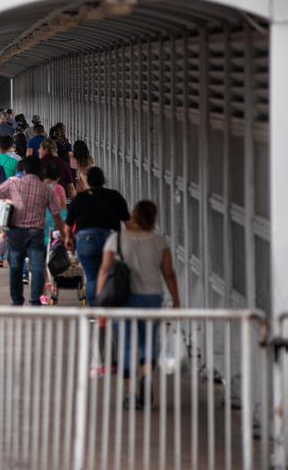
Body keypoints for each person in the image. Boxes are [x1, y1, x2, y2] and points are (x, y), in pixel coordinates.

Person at [97, 200, 180, 408]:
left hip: (122, 299)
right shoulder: (159, 242)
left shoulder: (116, 240)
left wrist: (100, 301)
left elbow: (105, 270)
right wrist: (176, 300)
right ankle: (145, 376)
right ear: (153, 218)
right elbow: (168, 274)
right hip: (151, 298)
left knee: (125, 344)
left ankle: (131, 393)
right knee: (148, 341)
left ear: (133, 215)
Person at [0, 156, 65, 306]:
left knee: (15, 268)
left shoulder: (13, 183)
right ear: (40, 171)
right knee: (36, 269)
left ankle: (16, 301)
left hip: (15, 233)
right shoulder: (46, 189)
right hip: (36, 233)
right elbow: (57, 215)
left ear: (25, 169)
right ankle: (35, 301)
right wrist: (65, 235)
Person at [64, 167, 130, 305]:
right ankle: (108, 304)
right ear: (103, 180)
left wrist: (68, 239)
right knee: (109, 274)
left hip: (85, 239)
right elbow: (128, 222)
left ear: (87, 181)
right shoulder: (114, 196)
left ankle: (94, 309)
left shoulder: (80, 198)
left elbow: (68, 225)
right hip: (110, 239)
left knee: (92, 276)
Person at [43, 160, 67, 245]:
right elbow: (63, 210)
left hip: (39, 225)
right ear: (57, 177)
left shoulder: (38, 186)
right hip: (55, 225)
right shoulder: (58, 189)